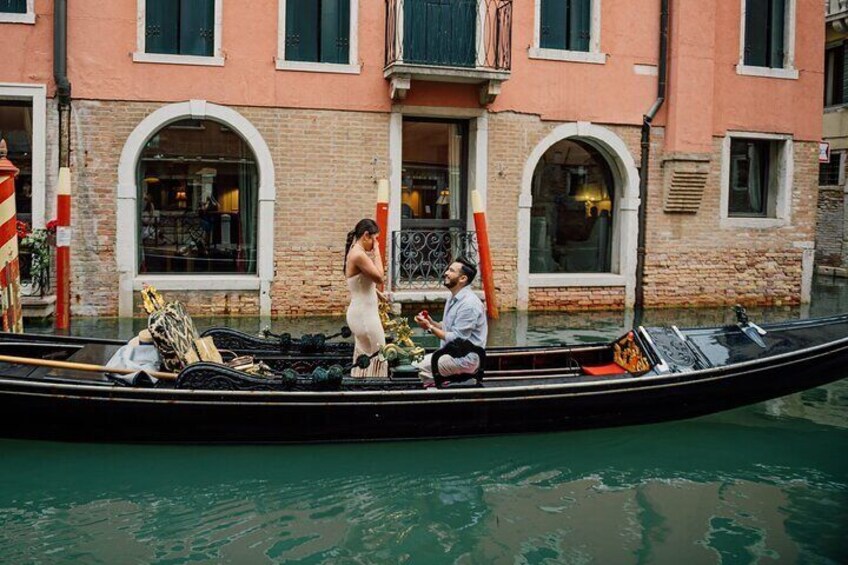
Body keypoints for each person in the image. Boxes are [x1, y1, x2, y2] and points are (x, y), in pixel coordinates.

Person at [413, 257, 488, 387]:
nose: (446, 273)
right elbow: (448, 328)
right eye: (448, 269)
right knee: (413, 362)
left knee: (413, 367)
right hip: (452, 355)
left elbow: (457, 339)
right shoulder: (453, 297)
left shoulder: (469, 304)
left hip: (463, 360)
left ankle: (433, 392)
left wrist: (430, 327)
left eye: (451, 271)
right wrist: (432, 322)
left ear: (462, 279)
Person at [344, 218, 388, 377]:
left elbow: (359, 283)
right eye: (375, 239)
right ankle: (376, 391)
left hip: (361, 313)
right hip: (364, 316)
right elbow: (379, 277)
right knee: (381, 354)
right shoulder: (359, 255)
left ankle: (363, 386)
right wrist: (377, 251)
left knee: (366, 357)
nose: (375, 243)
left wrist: (377, 293)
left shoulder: (355, 252)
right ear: (366, 236)